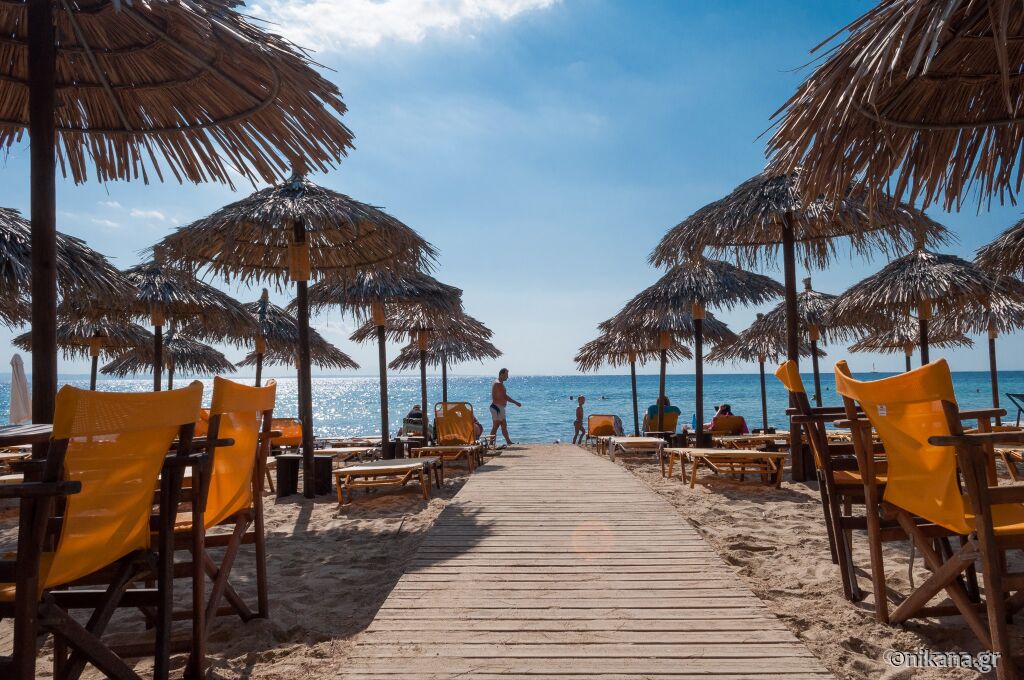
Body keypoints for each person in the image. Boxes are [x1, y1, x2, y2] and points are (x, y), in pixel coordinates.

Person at [490, 368, 521, 446]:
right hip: (497, 407)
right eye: (506, 375)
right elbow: (505, 396)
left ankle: (508, 441)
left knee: (503, 425)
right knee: (496, 426)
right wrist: (515, 402)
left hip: (499, 407)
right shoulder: (498, 384)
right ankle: (491, 443)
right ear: (502, 374)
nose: (507, 377)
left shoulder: (498, 382)